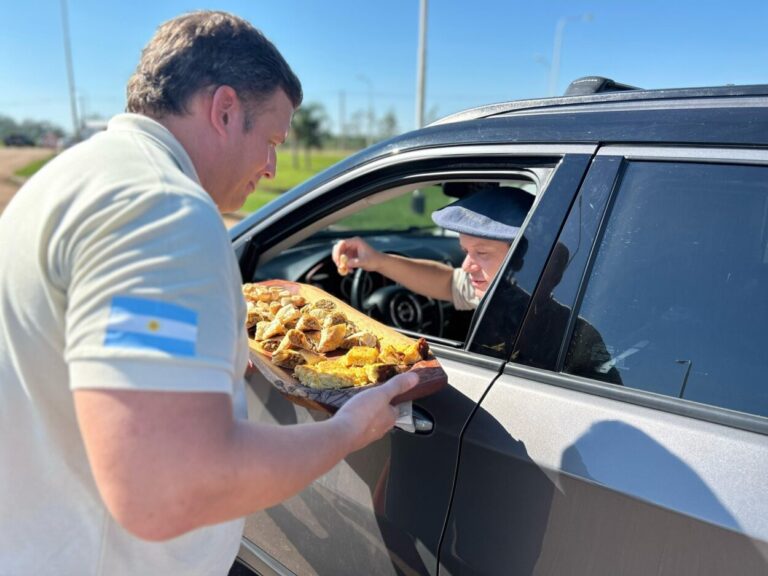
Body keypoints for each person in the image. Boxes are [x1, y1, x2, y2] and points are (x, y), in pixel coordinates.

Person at [0, 11, 417, 575]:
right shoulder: (162, 211)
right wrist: (346, 430)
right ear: (224, 110)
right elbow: (165, 487)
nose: (271, 167)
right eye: (271, 139)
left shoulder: (72, 176)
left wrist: (211, 359)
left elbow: (103, 351)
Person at [332, 183, 534, 310]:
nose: (466, 266)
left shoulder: (549, 313)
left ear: (524, 256)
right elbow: (448, 283)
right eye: (466, 251)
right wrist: (378, 261)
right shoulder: (502, 286)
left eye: (481, 252)